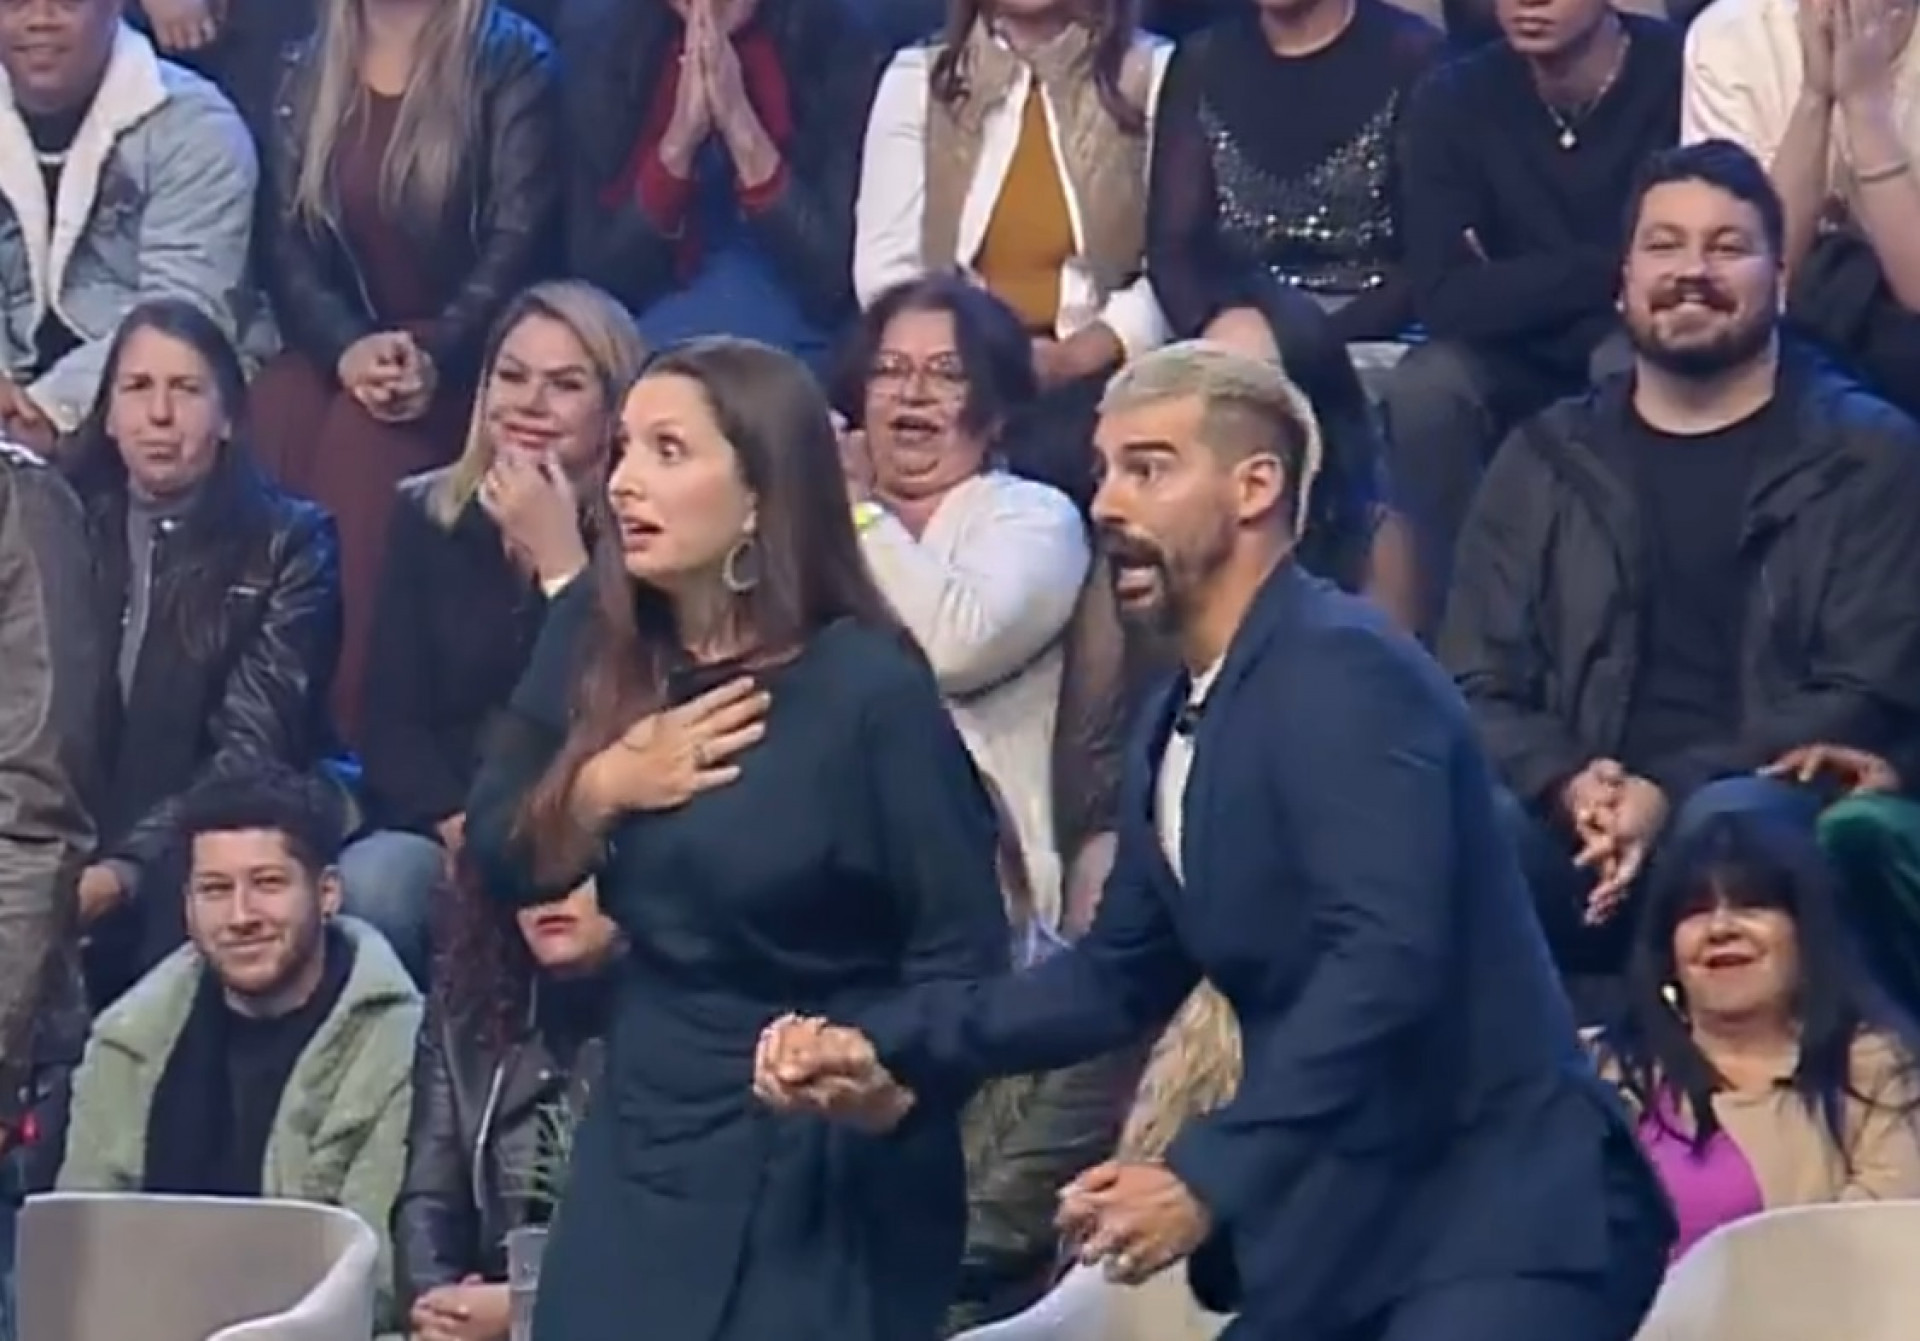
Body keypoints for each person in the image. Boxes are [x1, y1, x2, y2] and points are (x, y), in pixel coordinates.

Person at [758, 341, 1675, 1341]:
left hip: (1501, 1224)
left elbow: (1384, 957)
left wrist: (1205, 1173)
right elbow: (1112, 978)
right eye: (1104, 470)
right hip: (1357, 1233)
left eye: (1148, 469)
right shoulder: (1179, 714)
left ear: (1256, 488)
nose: (1108, 503)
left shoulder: (1346, 670)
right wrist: (886, 1037)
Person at [461, 336, 1010, 1341]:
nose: (623, 482)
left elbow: (964, 955)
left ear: (761, 494)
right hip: (649, 1123)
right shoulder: (595, 634)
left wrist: (883, 1073)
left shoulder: (869, 691)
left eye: (668, 452)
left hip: (823, 1144)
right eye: (624, 449)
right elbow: (499, 853)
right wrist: (605, 786)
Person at [1440, 141, 1920, 983]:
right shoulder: (1543, 457)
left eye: (1727, 247)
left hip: (1767, 802)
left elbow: (1863, 687)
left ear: (1781, 280)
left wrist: (1665, 791)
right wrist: (1569, 784)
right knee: (1463, 824)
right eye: (1664, 245)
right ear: (1622, 280)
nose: (1692, 270)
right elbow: (1475, 679)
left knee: (1725, 824)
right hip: (1580, 823)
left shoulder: (1871, 455)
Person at [251, 0, 560, 740]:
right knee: (276, 408)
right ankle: (254, 723)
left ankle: (351, 733)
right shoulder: (304, 61)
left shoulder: (511, 60)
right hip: (346, 345)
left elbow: (520, 243)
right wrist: (345, 347)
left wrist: (438, 354)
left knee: (365, 439)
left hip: (467, 351)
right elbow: (285, 246)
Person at [58, 300, 355, 1007]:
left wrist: (122, 872)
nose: (159, 414)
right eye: (137, 388)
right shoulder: (61, 523)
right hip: (74, 829)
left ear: (227, 417)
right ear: (108, 415)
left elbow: (249, 753)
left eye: (186, 389)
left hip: (223, 830)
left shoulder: (290, 542)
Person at [348, 280, 649, 976]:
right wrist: (468, 831)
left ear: (616, 409)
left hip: (595, 823)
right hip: (450, 819)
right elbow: (390, 719)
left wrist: (563, 563)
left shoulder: (646, 529)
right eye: (511, 377)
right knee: (377, 884)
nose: (530, 403)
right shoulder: (425, 514)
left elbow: (613, 702)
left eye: (564, 384)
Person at [56, 766, 422, 1333]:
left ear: (327, 893)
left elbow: (371, 1282)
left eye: (268, 884)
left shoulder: (397, 1041)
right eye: (215, 890)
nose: (241, 916)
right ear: (187, 905)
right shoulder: (126, 1040)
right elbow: (83, 1249)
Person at [1383, 0, 1681, 630]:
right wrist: (1608, 268)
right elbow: (1445, 297)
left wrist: (1512, 275)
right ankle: (1466, 637)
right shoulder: (1453, 96)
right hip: (1504, 349)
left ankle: (1627, 630)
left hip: (1626, 337)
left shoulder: (1673, 74)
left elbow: (1675, 269)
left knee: (1628, 370)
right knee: (1426, 388)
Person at [1591, 812, 1920, 1260]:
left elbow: (1878, 1244)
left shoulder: (1877, 1068)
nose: (1720, 928)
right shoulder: (1603, 1071)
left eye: (1751, 906)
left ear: (1806, 934)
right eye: (1696, 910)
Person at [0, 0, 257, 449]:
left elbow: (186, 307)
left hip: (157, 396)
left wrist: (50, 409)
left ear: (115, 6)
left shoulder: (197, 127)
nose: (40, 19)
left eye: (66, 1)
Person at [395, 876, 622, 1341]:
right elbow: (429, 1201)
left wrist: (524, 1307)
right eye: (528, 866)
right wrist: (442, 1312)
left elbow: (686, 1251)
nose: (549, 891)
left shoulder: (691, 1025)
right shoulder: (463, 1009)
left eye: (576, 870)